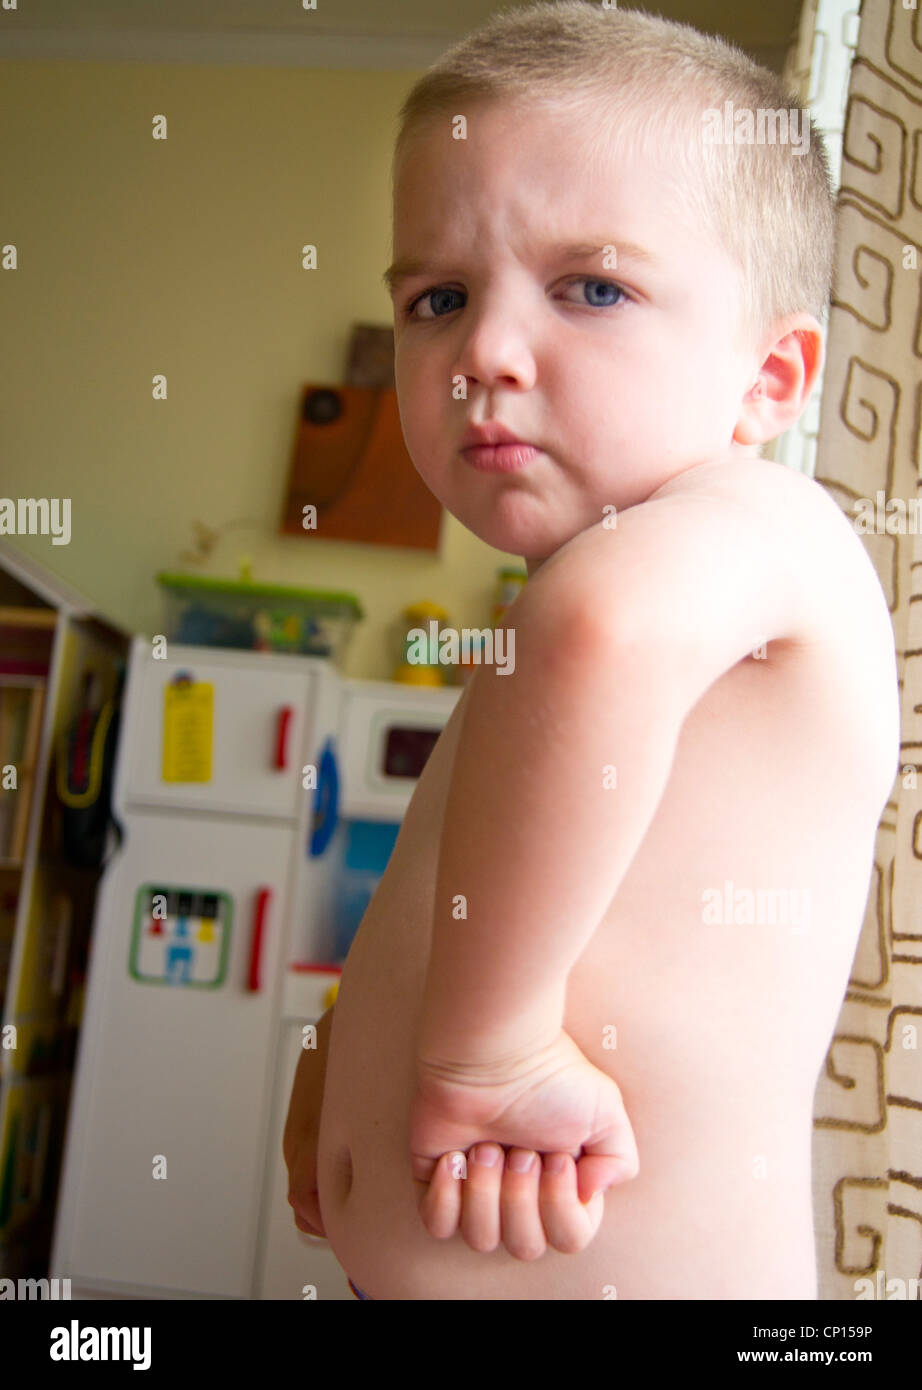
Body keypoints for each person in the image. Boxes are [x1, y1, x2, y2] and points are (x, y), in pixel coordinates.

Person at [283, 1, 899, 1299]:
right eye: (439, 298)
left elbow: (597, 634)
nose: (485, 354)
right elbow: (467, 881)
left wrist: (488, 1053)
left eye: (594, 288)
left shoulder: (762, 528)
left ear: (771, 377)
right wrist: (350, 1040)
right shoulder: (570, 601)